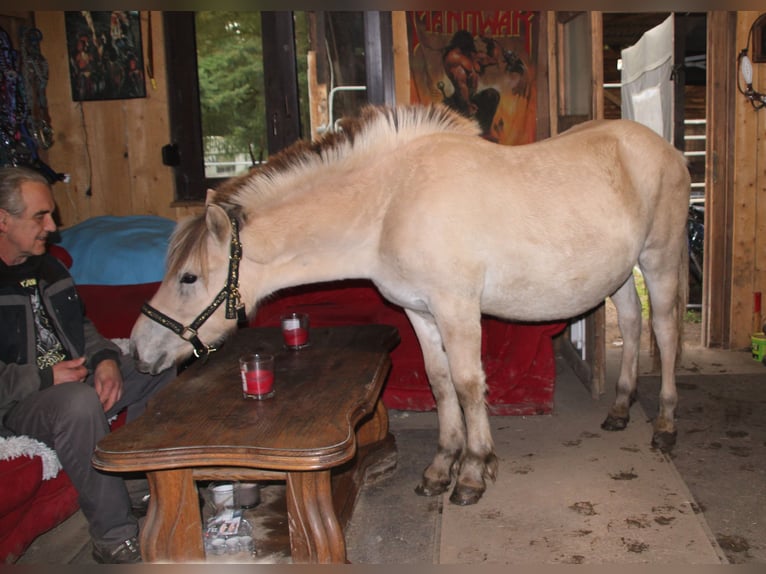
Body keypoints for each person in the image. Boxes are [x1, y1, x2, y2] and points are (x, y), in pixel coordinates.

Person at [0, 166, 175, 563]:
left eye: (52, 214)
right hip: (19, 403)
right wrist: (45, 376)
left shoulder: (48, 267)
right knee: (77, 403)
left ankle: (135, 486)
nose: (53, 226)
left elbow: (80, 326)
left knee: (155, 364)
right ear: (3, 220)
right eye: (40, 216)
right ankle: (113, 537)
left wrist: (106, 361)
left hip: (72, 378)